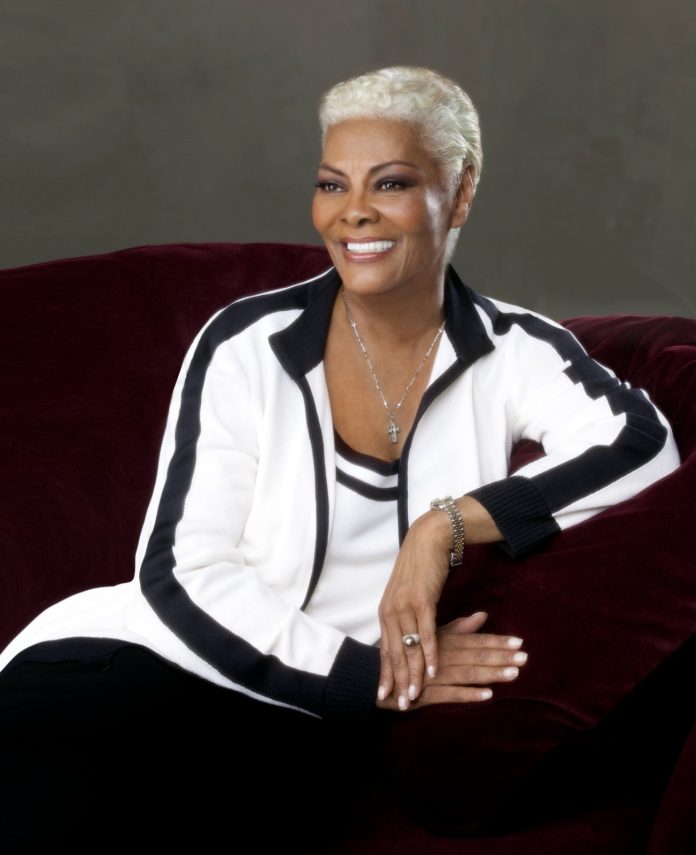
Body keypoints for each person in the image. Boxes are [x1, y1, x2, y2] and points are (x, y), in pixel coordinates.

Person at [0, 66, 680, 850]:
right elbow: (181, 576)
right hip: (139, 661)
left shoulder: (513, 349)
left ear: (460, 192)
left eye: (390, 182)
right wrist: (364, 676)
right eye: (332, 184)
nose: (352, 211)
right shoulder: (247, 341)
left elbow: (639, 445)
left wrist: (445, 527)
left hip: (304, 725)